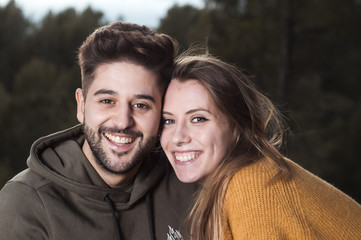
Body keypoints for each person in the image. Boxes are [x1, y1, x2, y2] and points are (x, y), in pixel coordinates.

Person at [0, 21, 197, 240]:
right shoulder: (25, 203)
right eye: (107, 100)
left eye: (141, 105)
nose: (123, 122)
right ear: (82, 106)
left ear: (161, 112)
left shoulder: (190, 185)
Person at [160, 52, 361, 240]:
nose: (178, 137)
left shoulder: (253, 185)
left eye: (198, 119)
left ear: (237, 126)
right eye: (168, 121)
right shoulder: (229, 182)